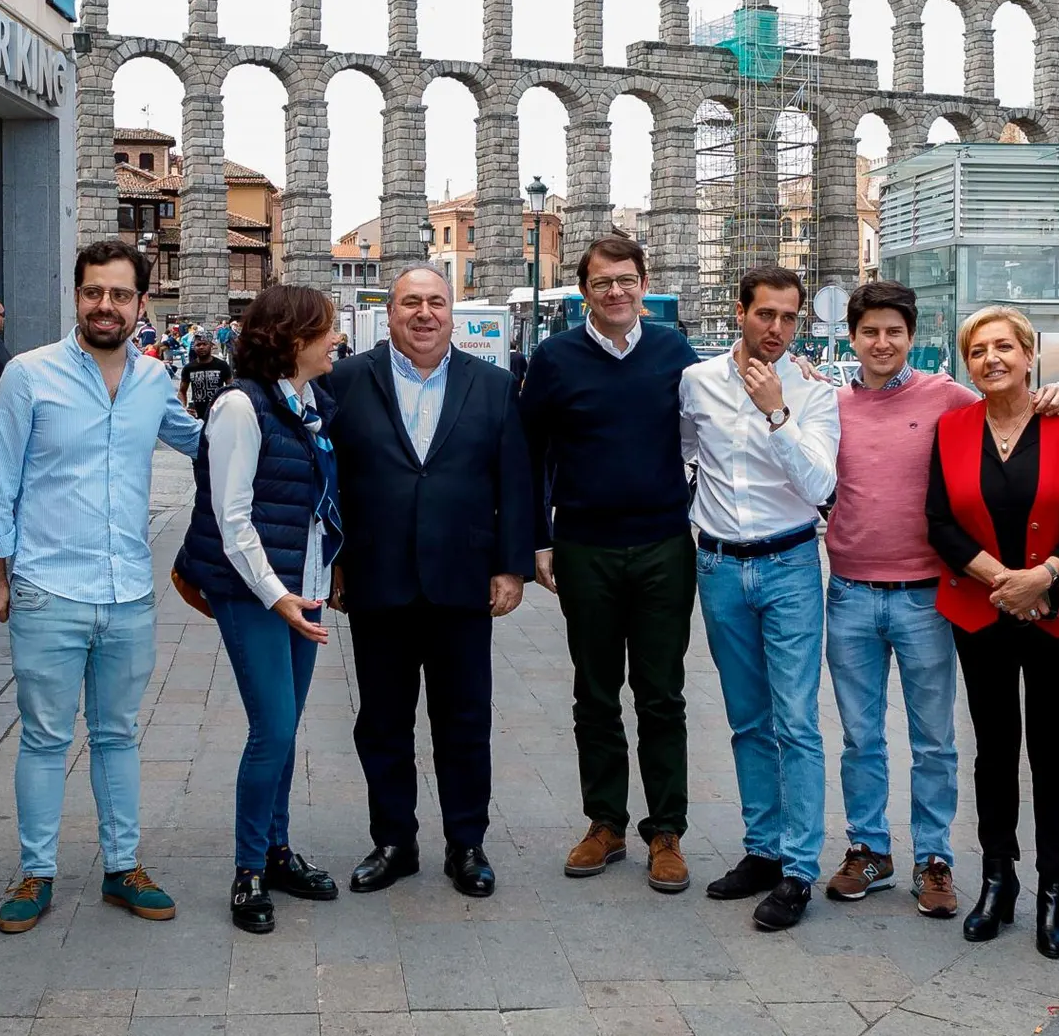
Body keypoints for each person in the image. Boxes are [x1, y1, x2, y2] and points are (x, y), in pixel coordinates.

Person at [822, 281, 1059, 919]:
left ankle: (934, 859)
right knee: (860, 735)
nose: (882, 343)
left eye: (894, 332)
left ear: (911, 338)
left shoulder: (947, 399)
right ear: (852, 337)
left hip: (925, 596)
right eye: (870, 331)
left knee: (934, 738)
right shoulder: (827, 404)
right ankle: (868, 848)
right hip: (849, 590)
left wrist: (1052, 395)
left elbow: (1004, 407)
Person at [0, 240, 202, 935]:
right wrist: (1, 571)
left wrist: (268, 406)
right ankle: (35, 872)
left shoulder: (151, 378)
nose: (104, 305)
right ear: (76, 297)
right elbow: (0, 480)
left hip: (129, 591)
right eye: (92, 293)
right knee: (46, 737)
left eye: (118, 294)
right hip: (49, 588)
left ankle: (122, 866)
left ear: (143, 304)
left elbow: (198, 440)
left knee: (116, 735)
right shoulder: (27, 375)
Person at [323, 263, 531, 899]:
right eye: (410, 303)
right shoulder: (346, 381)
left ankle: (467, 843)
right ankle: (394, 841)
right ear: (388, 315)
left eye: (435, 303)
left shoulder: (494, 385)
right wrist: (333, 561)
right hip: (377, 578)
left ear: (453, 312)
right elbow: (329, 479)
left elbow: (514, 482)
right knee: (382, 721)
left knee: (463, 720)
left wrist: (510, 565)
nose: (424, 314)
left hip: (462, 580)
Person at [522, 236, 699, 894]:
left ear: (643, 283)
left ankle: (667, 831)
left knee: (662, 692)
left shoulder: (675, 354)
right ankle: (606, 822)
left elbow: (720, 421)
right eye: (602, 283)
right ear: (585, 292)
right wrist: (536, 539)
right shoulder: (555, 358)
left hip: (662, 544)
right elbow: (530, 451)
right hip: (586, 546)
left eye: (626, 280)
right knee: (594, 691)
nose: (617, 292)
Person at [925, 305, 1059, 961]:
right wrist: (1004, 579)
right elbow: (939, 521)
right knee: (994, 748)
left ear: (1029, 355)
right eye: (978, 350)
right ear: (967, 362)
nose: (992, 358)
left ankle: (1055, 888)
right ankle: (998, 878)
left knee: (1053, 751)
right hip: (982, 609)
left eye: (1005, 346)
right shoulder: (951, 429)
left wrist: (1045, 576)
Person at [175, 285, 344, 934]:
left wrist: (320, 582)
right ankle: (248, 869)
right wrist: (278, 597)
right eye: (325, 330)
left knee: (285, 728)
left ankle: (276, 851)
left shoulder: (308, 403)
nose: (335, 341)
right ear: (292, 337)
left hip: (302, 586)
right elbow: (232, 517)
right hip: (255, 592)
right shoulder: (240, 407)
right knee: (272, 729)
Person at [681, 266, 840, 932]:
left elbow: (819, 486)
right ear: (739, 311)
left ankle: (801, 867)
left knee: (796, 721)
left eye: (788, 318)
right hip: (719, 566)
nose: (776, 329)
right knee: (748, 717)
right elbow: (688, 452)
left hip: (790, 563)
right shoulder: (698, 383)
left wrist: (778, 410)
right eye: (765, 314)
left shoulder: (814, 393)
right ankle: (763, 849)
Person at [180, 336, 234, 418]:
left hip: (218, 412)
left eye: (204, 344)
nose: (201, 347)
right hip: (197, 414)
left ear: (211, 346)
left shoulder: (222, 365)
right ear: (194, 348)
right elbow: (182, 391)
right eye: (198, 345)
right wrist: (183, 408)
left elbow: (231, 389)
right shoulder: (189, 368)